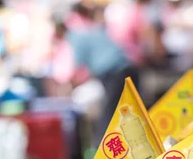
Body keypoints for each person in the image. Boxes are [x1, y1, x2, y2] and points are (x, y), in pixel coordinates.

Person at [55, 17, 139, 146]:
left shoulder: (75, 39)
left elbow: (77, 69)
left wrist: (67, 88)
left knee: (110, 114)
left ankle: (105, 149)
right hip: (127, 68)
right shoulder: (86, 33)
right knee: (129, 111)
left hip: (113, 73)